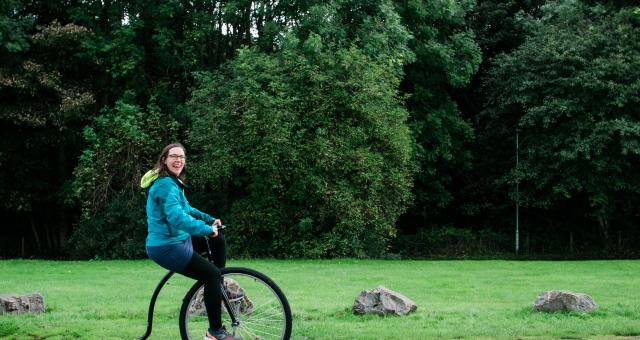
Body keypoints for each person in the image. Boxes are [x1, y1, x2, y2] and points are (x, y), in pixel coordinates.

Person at [141, 142, 240, 340]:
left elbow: (187, 209)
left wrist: (209, 220)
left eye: (182, 157)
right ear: (164, 160)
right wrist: (205, 229)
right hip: (166, 247)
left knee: (217, 241)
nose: (178, 160)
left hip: (179, 240)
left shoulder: (173, 182)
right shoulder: (164, 185)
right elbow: (177, 217)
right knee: (210, 274)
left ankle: (216, 289)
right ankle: (214, 332)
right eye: (174, 156)